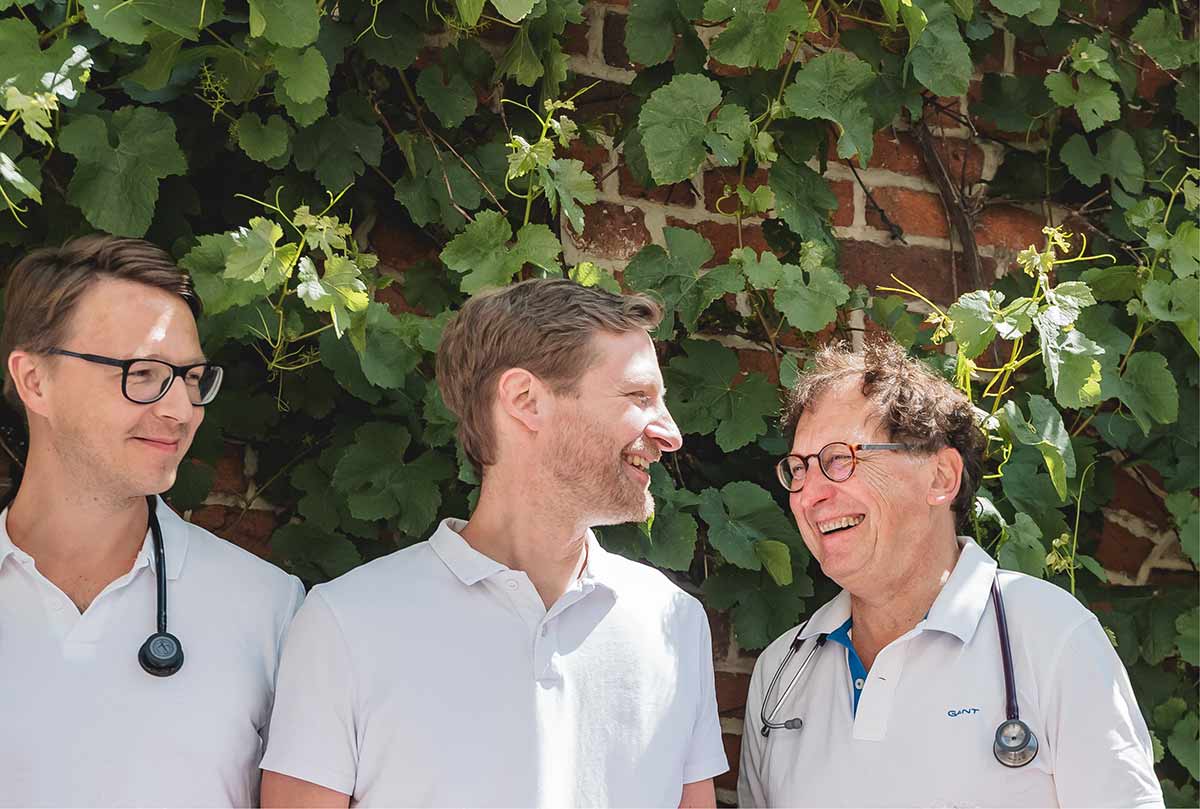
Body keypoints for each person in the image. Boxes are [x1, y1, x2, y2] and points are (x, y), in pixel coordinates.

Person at [260, 278, 728, 807]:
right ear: (526, 400)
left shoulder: (673, 622)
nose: (671, 433)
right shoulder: (347, 624)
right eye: (639, 397)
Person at [738, 338, 1163, 808]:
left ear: (941, 477)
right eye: (798, 468)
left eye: (839, 459)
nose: (809, 494)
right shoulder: (781, 671)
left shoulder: (1051, 636)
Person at [0, 236, 305, 807]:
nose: (181, 411)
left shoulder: (269, 610)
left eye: (191, 378)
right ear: (35, 380)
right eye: (141, 373)